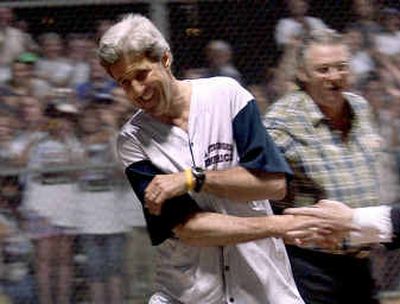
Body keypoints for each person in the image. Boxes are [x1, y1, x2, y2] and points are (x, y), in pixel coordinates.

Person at [97, 13, 332, 304]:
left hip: (264, 286)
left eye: (142, 74)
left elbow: (273, 184)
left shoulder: (227, 95)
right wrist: (277, 227)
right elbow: (189, 229)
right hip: (188, 294)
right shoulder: (132, 139)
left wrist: (191, 179)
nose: (136, 91)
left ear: (165, 59)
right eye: (124, 82)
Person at [264, 28, 383, 304]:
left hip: (360, 260)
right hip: (311, 264)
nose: (334, 77)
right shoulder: (282, 119)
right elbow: (261, 187)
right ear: (303, 75)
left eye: (341, 67)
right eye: (323, 70)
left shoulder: (360, 107)